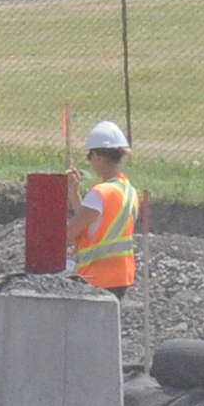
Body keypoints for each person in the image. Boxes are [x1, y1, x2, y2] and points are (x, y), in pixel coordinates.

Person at [69, 121, 140, 292]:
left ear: (98, 157)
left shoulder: (100, 193)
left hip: (95, 278)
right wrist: (73, 193)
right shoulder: (129, 191)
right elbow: (95, 224)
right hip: (121, 277)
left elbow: (71, 233)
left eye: (90, 157)